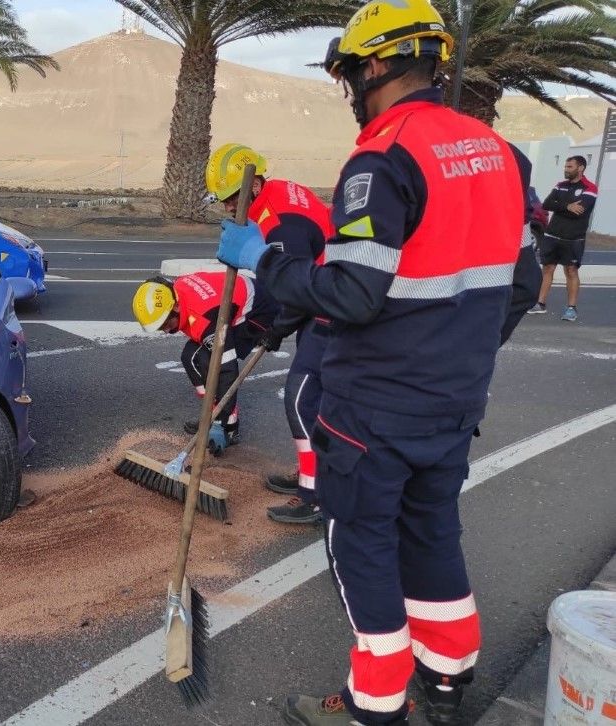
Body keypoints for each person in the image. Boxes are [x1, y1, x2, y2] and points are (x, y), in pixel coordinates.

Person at [215, 0, 534, 723]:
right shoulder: (498, 155)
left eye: (350, 74)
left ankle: (375, 705)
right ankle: (448, 680)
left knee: (359, 544)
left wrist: (263, 260)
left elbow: (353, 294)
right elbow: (521, 284)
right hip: (455, 402)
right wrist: (462, 356)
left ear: (380, 64)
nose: (349, 92)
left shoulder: (385, 158)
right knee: (431, 533)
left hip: (375, 408)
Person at [206, 143, 334, 525]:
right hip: (324, 302)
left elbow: (296, 287)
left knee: (301, 400)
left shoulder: (281, 223)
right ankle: (315, 476)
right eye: (225, 200)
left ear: (255, 182)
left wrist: (276, 330)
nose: (229, 207)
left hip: (328, 311)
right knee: (317, 401)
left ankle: (316, 497)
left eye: (232, 198)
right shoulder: (277, 195)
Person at [132, 271, 277, 453]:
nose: (164, 330)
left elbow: (228, 370)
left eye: (164, 324)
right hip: (229, 303)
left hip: (257, 312)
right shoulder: (173, 291)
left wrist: (217, 423)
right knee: (190, 357)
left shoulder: (204, 321)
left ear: (175, 307)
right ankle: (213, 413)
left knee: (208, 360)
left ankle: (227, 426)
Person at [528, 155, 596, 321]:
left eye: (570, 167)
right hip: (551, 235)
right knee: (547, 269)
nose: (566, 170)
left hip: (573, 239)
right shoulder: (561, 185)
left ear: (580, 168)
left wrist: (560, 205)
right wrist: (567, 205)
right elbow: (547, 204)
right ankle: (540, 304)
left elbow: (581, 210)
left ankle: (571, 308)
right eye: (565, 167)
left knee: (570, 271)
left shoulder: (590, 188)